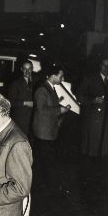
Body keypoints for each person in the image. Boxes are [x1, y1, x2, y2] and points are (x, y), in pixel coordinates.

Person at [32, 66, 71, 194]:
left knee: (46, 161)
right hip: (44, 133)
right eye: (61, 76)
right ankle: (45, 189)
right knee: (45, 162)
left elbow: (50, 105)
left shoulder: (50, 89)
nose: (62, 78)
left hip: (49, 132)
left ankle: (45, 187)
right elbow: (42, 110)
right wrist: (61, 110)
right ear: (52, 76)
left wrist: (60, 105)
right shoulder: (42, 90)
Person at [76, 58, 108, 158]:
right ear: (100, 65)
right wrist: (93, 100)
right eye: (104, 65)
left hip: (106, 124)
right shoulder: (90, 78)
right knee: (91, 153)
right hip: (93, 123)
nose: (107, 68)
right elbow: (79, 95)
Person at [7, 60, 36, 138]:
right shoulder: (15, 83)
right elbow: (10, 102)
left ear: (32, 69)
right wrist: (25, 103)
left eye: (29, 68)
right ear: (21, 69)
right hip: (20, 120)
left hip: (33, 120)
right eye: (25, 69)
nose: (27, 71)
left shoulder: (36, 82)